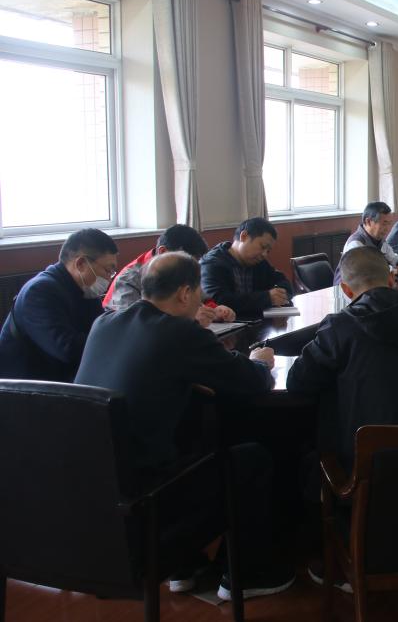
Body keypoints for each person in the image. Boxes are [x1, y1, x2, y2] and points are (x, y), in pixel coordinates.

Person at [74, 252, 294, 600]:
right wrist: (260, 362)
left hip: (96, 492)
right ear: (184, 293)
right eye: (199, 293)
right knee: (253, 459)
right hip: (150, 495)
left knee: (191, 429)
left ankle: (185, 567)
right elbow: (251, 382)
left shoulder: (105, 323)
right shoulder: (179, 332)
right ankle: (247, 574)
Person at [287, 246, 398, 472]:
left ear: (346, 290)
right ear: (391, 279)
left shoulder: (339, 328)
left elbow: (297, 381)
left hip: (373, 470)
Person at [0, 228, 117, 382]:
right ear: (81, 263)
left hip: (62, 377)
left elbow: (101, 329)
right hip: (25, 386)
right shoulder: (39, 291)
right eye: (108, 270)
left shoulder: (86, 290)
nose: (109, 278)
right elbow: (67, 349)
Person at [104, 224, 235, 327]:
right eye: (187, 262)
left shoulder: (180, 267)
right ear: (163, 251)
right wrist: (187, 318)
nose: (189, 271)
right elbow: (134, 324)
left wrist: (215, 310)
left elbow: (202, 298)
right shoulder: (129, 280)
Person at [200, 217, 292, 317]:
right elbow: (219, 301)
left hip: (256, 322)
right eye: (262, 247)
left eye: (268, 251)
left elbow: (283, 282)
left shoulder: (259, 262)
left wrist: (280, 294)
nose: (264, 254)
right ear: (244, 236)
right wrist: (266, 298)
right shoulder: (212, 264)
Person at [340, 202, 398, 283]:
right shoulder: (356, 244)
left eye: (389, 223)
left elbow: (393, 259)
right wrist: (397, 271)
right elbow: (366, 272)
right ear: (368, 221)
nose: (387, 228)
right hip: (351, 290)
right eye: (384, 223)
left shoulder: (379, 240)